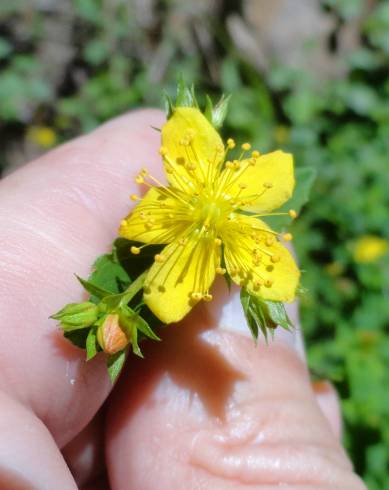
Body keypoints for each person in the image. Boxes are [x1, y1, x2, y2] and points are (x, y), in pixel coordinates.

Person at [0, 110, 366, 489]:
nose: (211, 211)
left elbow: (285, 190)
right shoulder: (160, 230)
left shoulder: (261, 203)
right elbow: (137, 233)